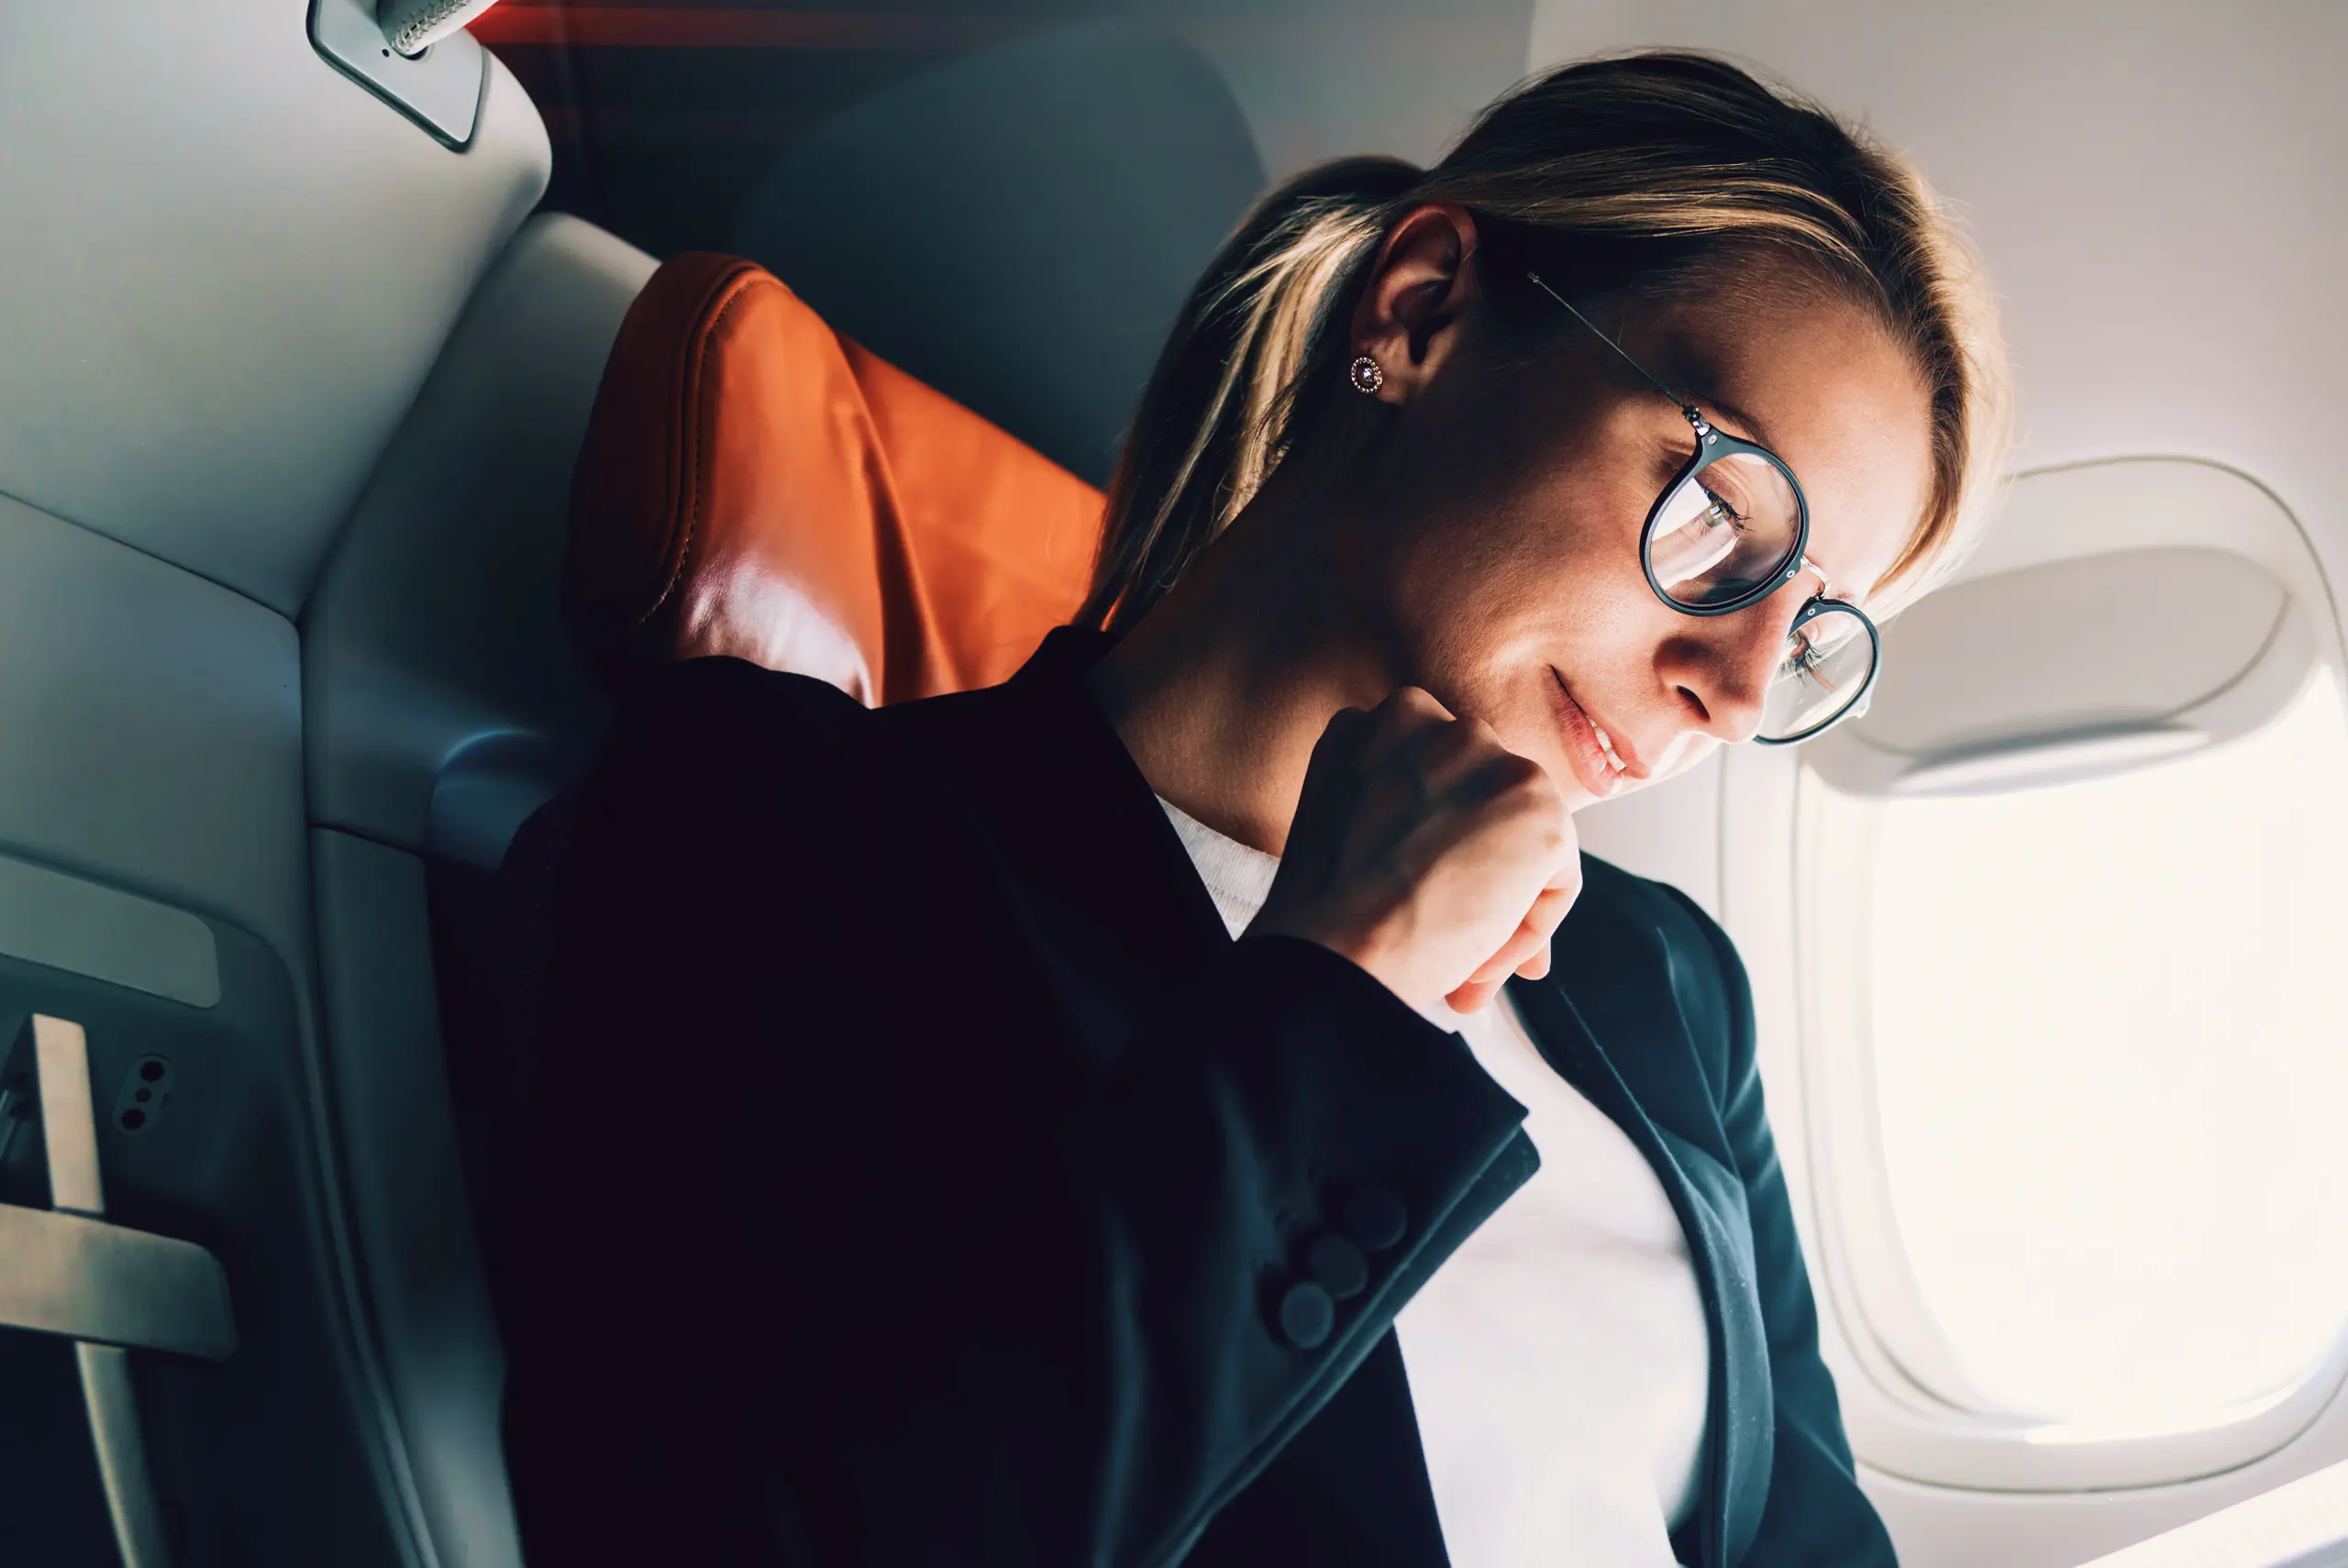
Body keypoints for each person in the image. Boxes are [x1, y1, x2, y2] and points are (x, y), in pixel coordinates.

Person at [498, 48, 2009, 1568]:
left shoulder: (1666, 981)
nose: (1742, 691)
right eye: (1722, 509)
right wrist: (1339, 983)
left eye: (1812, 627)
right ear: (1420, 312)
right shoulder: (782, 822)